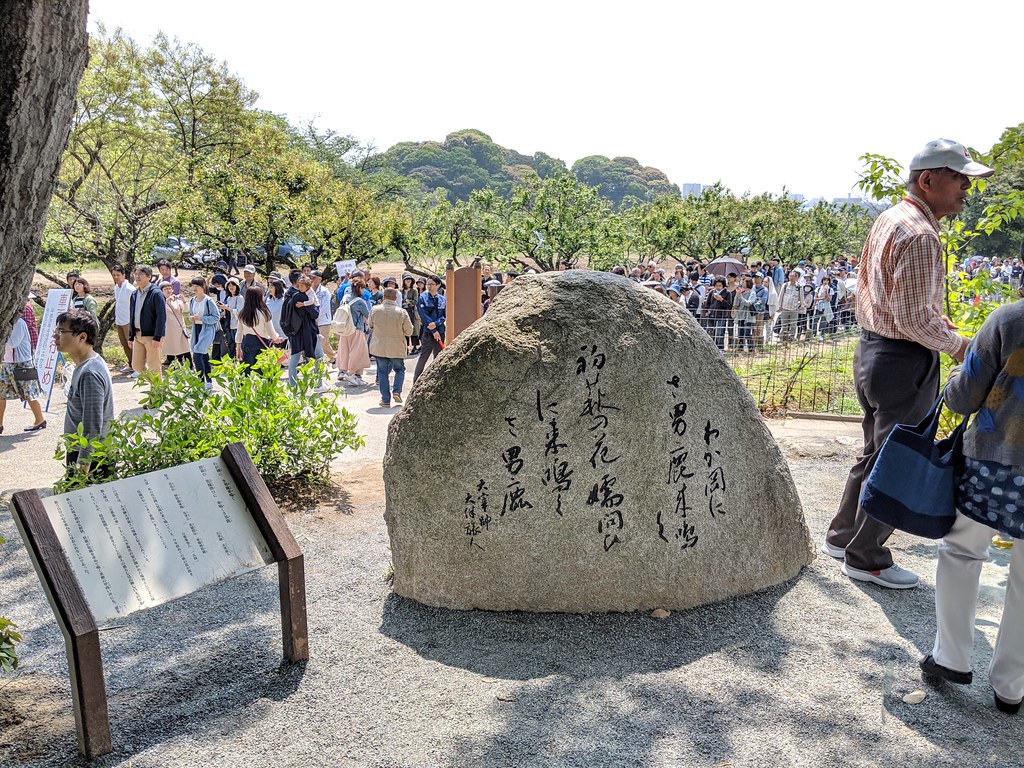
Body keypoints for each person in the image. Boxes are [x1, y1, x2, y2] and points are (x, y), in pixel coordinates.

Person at [823, 139, 994, 589]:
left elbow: (893, 301)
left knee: (876, 451)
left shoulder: (891, 217)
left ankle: (843, 536)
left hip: (873, 351)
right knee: (898, 459)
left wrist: (938, 326)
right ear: (928, 180)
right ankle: (866, 556)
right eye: (960, 178)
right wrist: (962, 346)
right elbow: (915, 319)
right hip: (903, 360)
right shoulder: (921, 233)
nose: (966, 188)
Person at [917, 295, 1024, 713]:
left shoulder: (1009, 318)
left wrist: (955, 375)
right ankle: (1012, 685)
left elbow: (963, 398)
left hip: (994, 462)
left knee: (962, 550)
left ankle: (951, 658)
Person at [54, 309, 114, 474]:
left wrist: (83, 465)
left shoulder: (90, 373)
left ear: (82, 337)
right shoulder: (87, 364)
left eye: (61, 331)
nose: (55, 335)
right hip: (86, 451)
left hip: (91, 457)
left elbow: (92, 423)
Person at [368, 286, 414, 407]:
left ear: (383, 297)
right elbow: (409, 331)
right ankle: (397, 391)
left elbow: (370, 326)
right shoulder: (401, 312)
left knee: (382, 373)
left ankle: (385, 400)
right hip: (396, 347)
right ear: (395, 298)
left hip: (379, 347)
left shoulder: (375, 310)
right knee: (399, 370)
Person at [0, 315, 47, 433]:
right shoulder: (6, 323)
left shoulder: (19, 323)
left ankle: (40, 420)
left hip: (22, 364)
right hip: (6, 363)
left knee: (28, 393)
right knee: (1, 394)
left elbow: (12, 343)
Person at [281, 271, 325, 389]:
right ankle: (318, 383)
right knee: (319, 356)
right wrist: (310, 306)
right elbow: (315, 313)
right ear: (298, 281)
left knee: (295, 358)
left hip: (294, 332)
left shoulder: (288, 295)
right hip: (308, 331)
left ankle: (293, 386)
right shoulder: (302, 296)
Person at [128, 264, 166, 375]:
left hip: (152, 336)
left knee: (154, 367)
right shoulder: (134, 294)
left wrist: (157, 337)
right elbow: (132, 315)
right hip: (138, 335)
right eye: (136, 274)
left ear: (149, 276)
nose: (137, 277)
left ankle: (156, 386)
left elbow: (161, 317)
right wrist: (131, 336)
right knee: (137, 366)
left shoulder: (156, 293)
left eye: (141, 274)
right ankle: (153, 383)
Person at [335, 276, 371, 386]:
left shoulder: (345, 298)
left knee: (345, 351)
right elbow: (368, 315)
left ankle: (343, 371)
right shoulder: (360, 301)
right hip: (356, 330)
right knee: (358, 352)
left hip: (345, 329)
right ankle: (352, 374)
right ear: (360, 288)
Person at [236, 284, 281, 368]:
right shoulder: (264, 313)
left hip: (246, 344)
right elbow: (271, 332)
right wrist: (277, 338)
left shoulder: (242, 313)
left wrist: (238, 348)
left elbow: (239, 332)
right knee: (261, 370)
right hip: (261, 344)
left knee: (248, 370)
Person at [188, 277, 220, 389]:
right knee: (204, 354)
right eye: (193, 286)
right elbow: (191, 314)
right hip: (196, 329)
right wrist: (191, 318)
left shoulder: (208, 301)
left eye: (197, 286)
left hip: (206, 330)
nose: (194, 288)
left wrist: (202, 318)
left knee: (197, 353)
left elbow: (216, 317)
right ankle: (209, 381)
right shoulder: (192, 300)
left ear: (203, 287)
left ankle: (200, 382)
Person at [413, 274, 446, 382]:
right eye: (428, 284)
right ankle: (416, 382)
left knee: (438, 357)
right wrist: (433, 330)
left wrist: (436, 324)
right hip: (428, 333)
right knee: (424, 357)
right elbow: (424, 316)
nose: (429, 286)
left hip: (440, 331)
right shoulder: (422, 298)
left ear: (438, 285)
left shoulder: (442, 299)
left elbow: (444, 315)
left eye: (432, 284)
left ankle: (437, 381)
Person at [159, 281, 191, 368]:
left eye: (170, 288)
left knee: (185, 347)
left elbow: (186, 310)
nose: (168, 290)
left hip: (179, 328)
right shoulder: (160, 301)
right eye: (166, 289)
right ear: (161, 291)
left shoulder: (177, 301)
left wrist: (184, 301)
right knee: (171, 348)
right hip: (169, 329)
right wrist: (166, 301)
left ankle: (190, 365)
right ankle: (173, 365)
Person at [111, 265, 135, 373]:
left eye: (118, 275)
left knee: (132, 344)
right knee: (124, 344)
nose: (116, 277)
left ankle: (139, 366)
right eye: (114, 275)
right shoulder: (116, 287)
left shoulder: (130, 289)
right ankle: (131, 364)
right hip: (119, 320)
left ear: (123, 275)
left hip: (128, 320)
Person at [311, 270, 335, 362]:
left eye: (313, 277)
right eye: (310, 277)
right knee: (315, 342)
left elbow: (324, 307)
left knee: (324, 341)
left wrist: (315, 315)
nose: (311, 279)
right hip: (313, 320)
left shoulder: (324, 291)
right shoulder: (309, 290)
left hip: (323, 320)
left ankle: (332, 357)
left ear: (319, 279)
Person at [218, 277, 244, 359]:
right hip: (229, 325)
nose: (231, 287)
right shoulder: (229, 298)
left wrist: (226, 308)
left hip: (237, 326)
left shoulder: (240, 298)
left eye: (233, 285)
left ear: (237, 286)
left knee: (239, 346)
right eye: (229, 285)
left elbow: (240, 312)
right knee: (230, 346)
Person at [401, 273, 421, 354]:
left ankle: (415, 347)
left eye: (409, 280)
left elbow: (415, 301)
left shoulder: (414, 291)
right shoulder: (401, 291)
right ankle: (405, 348)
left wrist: (408, 302)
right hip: (403, 311)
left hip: (412, 311)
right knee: (404, 329)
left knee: (414, 329)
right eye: (406, 280)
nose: (408, 281)